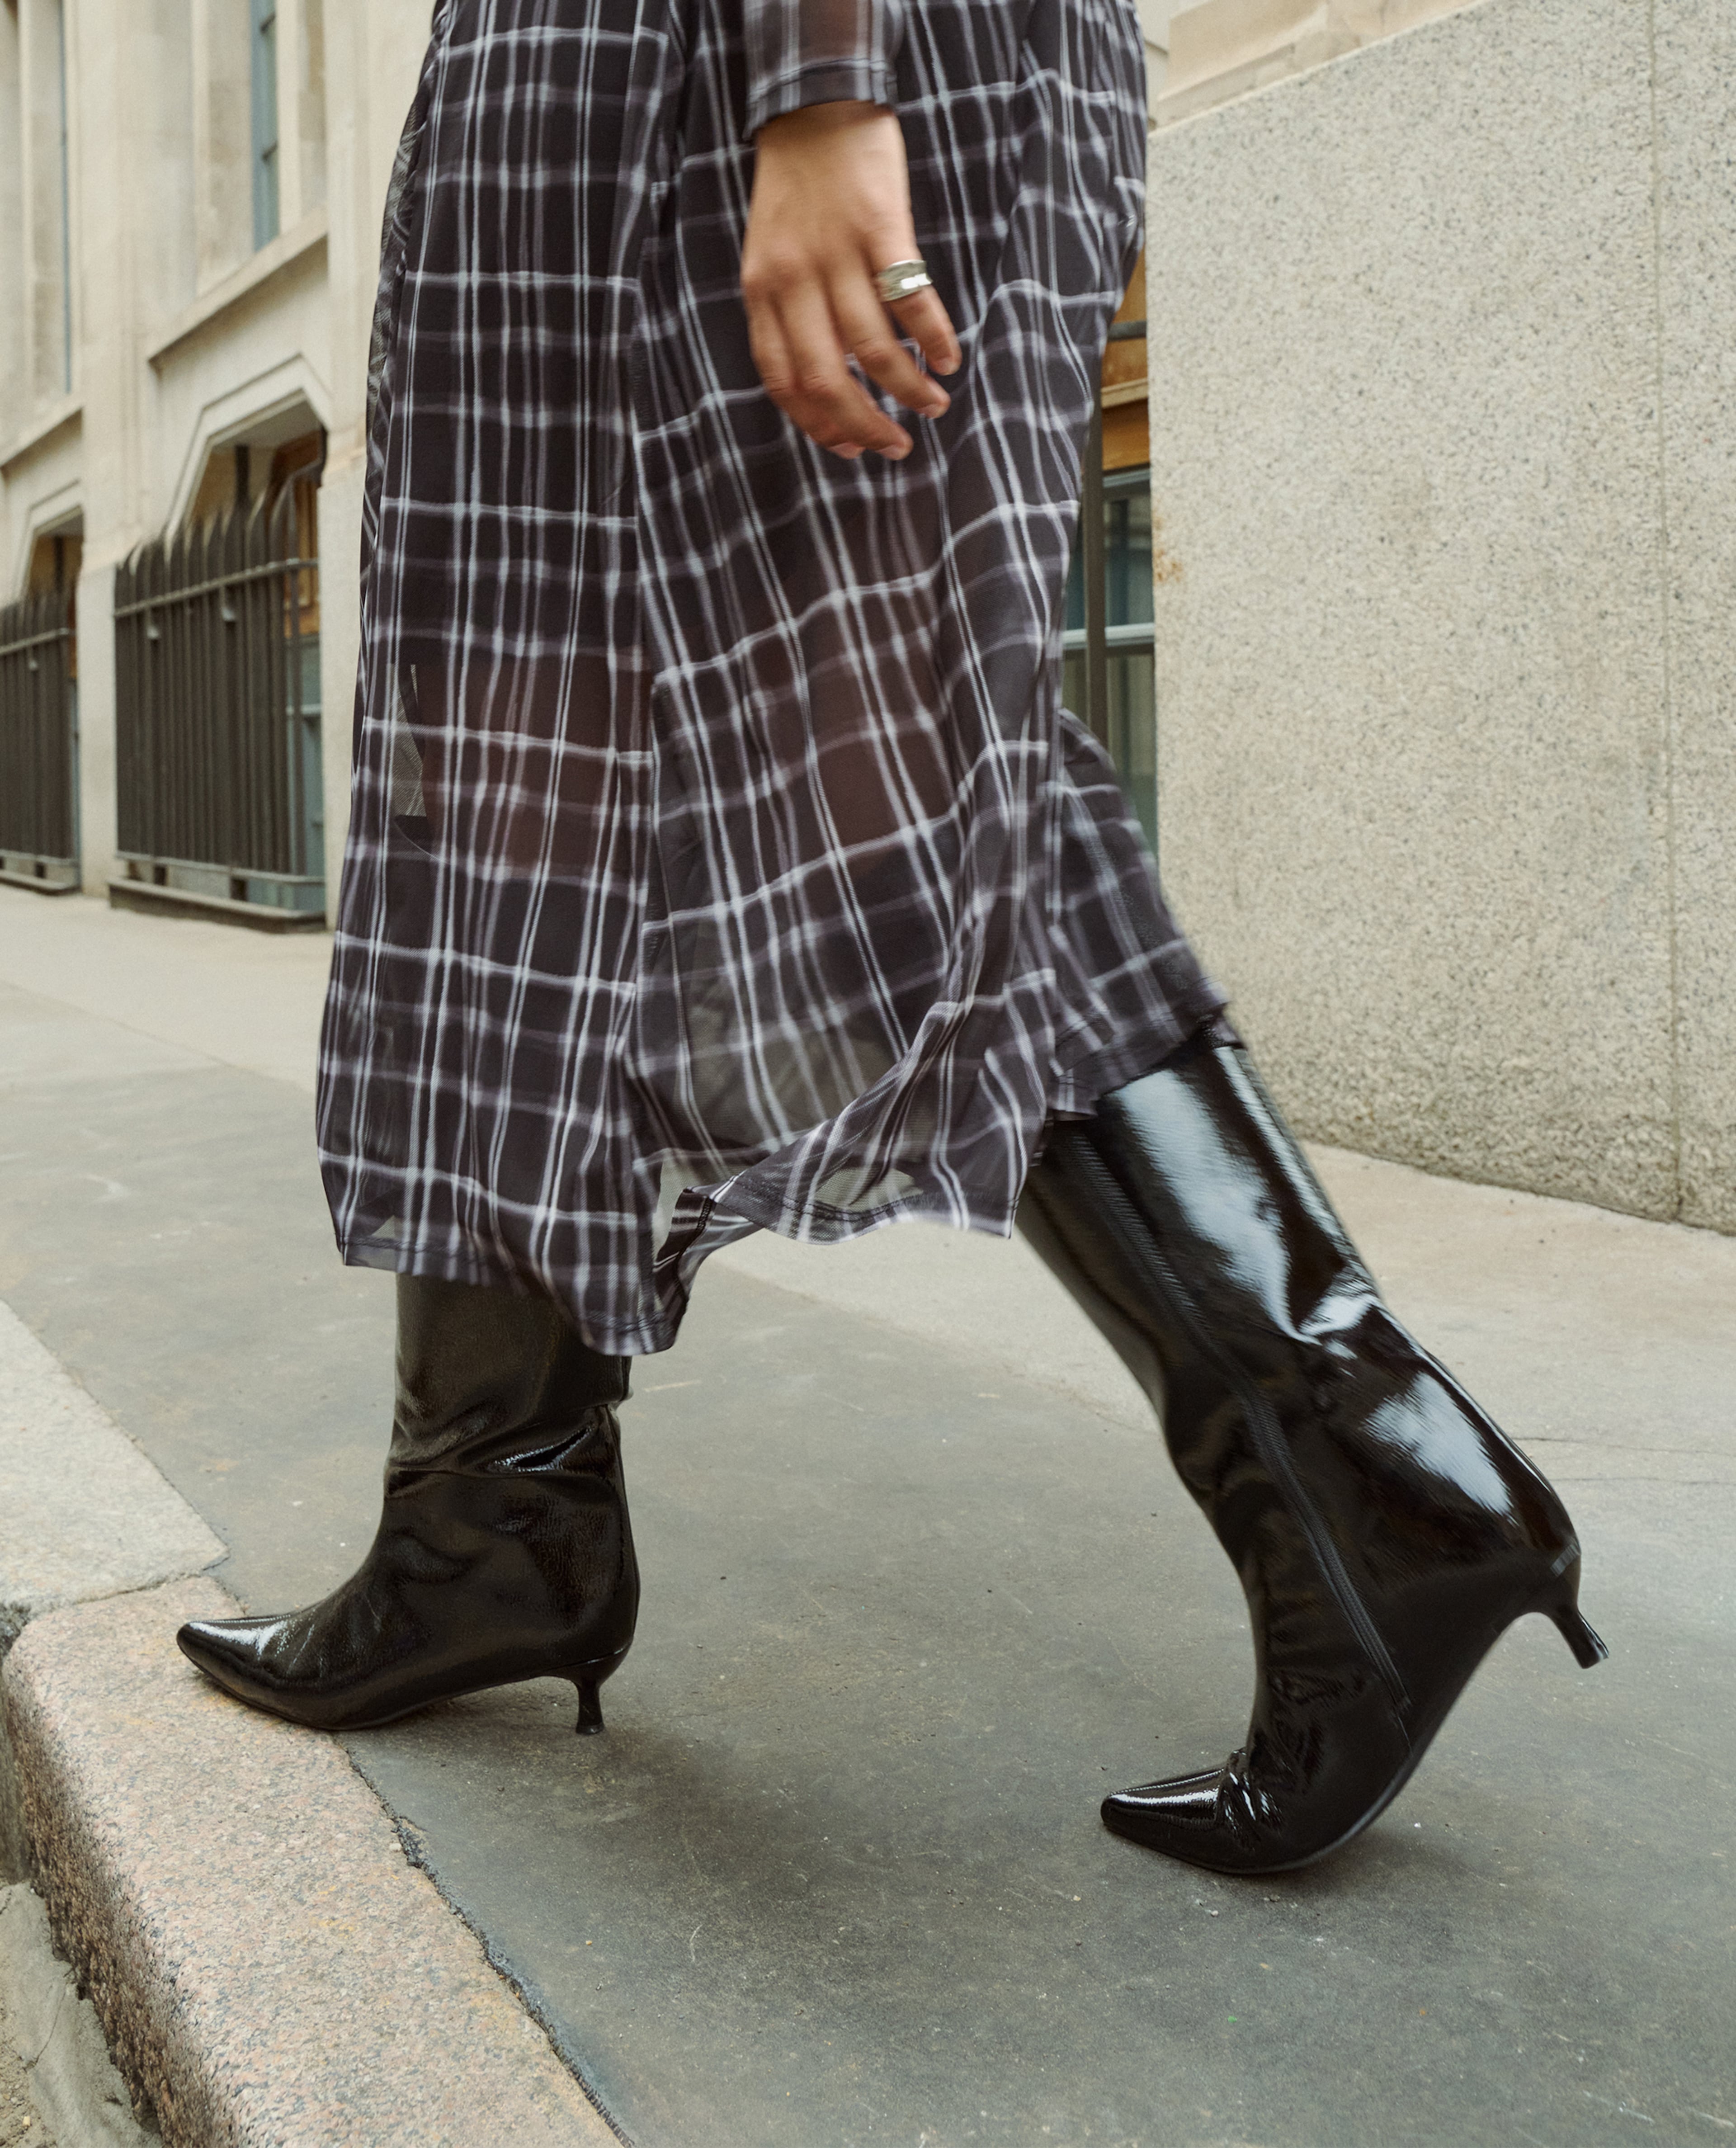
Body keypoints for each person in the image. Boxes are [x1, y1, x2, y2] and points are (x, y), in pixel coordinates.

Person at [177, 0, 1604, 1878]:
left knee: (888, 789)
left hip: (714, 78)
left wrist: (815, 84)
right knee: (527, 789)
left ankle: (1359, 1463)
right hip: (641, 90)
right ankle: (488, 1522)